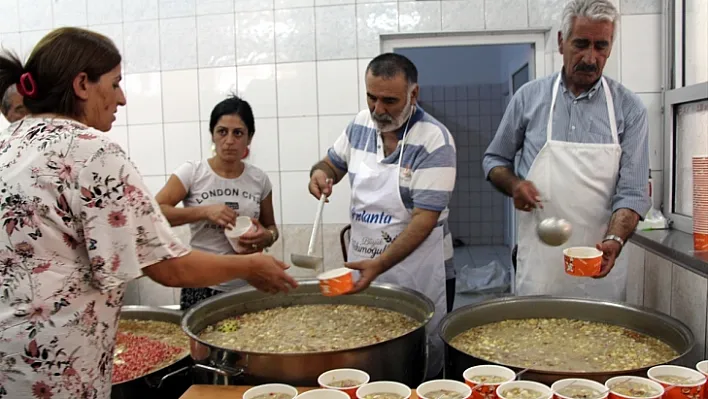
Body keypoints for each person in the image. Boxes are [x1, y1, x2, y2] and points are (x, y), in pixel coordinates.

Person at [0, 27, 297, 399]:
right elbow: (167, 266)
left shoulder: (9, 145)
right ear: (82, 84)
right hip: (56, 365)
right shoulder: (92, 152)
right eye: (116, 83)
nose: (122, 98)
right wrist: (252, 267)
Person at [483, 0, 650, 302]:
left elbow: (634, 192)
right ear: (562, 42)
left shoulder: (629, 108)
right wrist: (515, 185)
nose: (590, 57)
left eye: (602, 46)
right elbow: (494, 160)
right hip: (540, 263)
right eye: (581, 44)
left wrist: (615, 239)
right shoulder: (529, 98)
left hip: (599, 262)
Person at [308, 53, 456, 379]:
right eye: (371, 97)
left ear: (413, 95)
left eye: (389, 101)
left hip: (420, 274)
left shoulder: (435, 141)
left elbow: (423, 220)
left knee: (416, 363)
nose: (378, 109)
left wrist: (380, 265)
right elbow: (332, 163)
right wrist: (319, 174)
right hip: (366, 270)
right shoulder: (360, 125)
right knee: (368, 357)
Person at [156, 95, 280, 310]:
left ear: (249, 138)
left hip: (247, 284)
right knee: (201, 343)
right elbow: (153, 213)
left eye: (238, 133)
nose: (229, 141)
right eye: (222, 131)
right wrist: (204, 212)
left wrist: (266, 237)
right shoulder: (193, 173)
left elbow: (272, 228)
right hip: (201, 283)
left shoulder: (259, 180)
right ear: (212, 135)